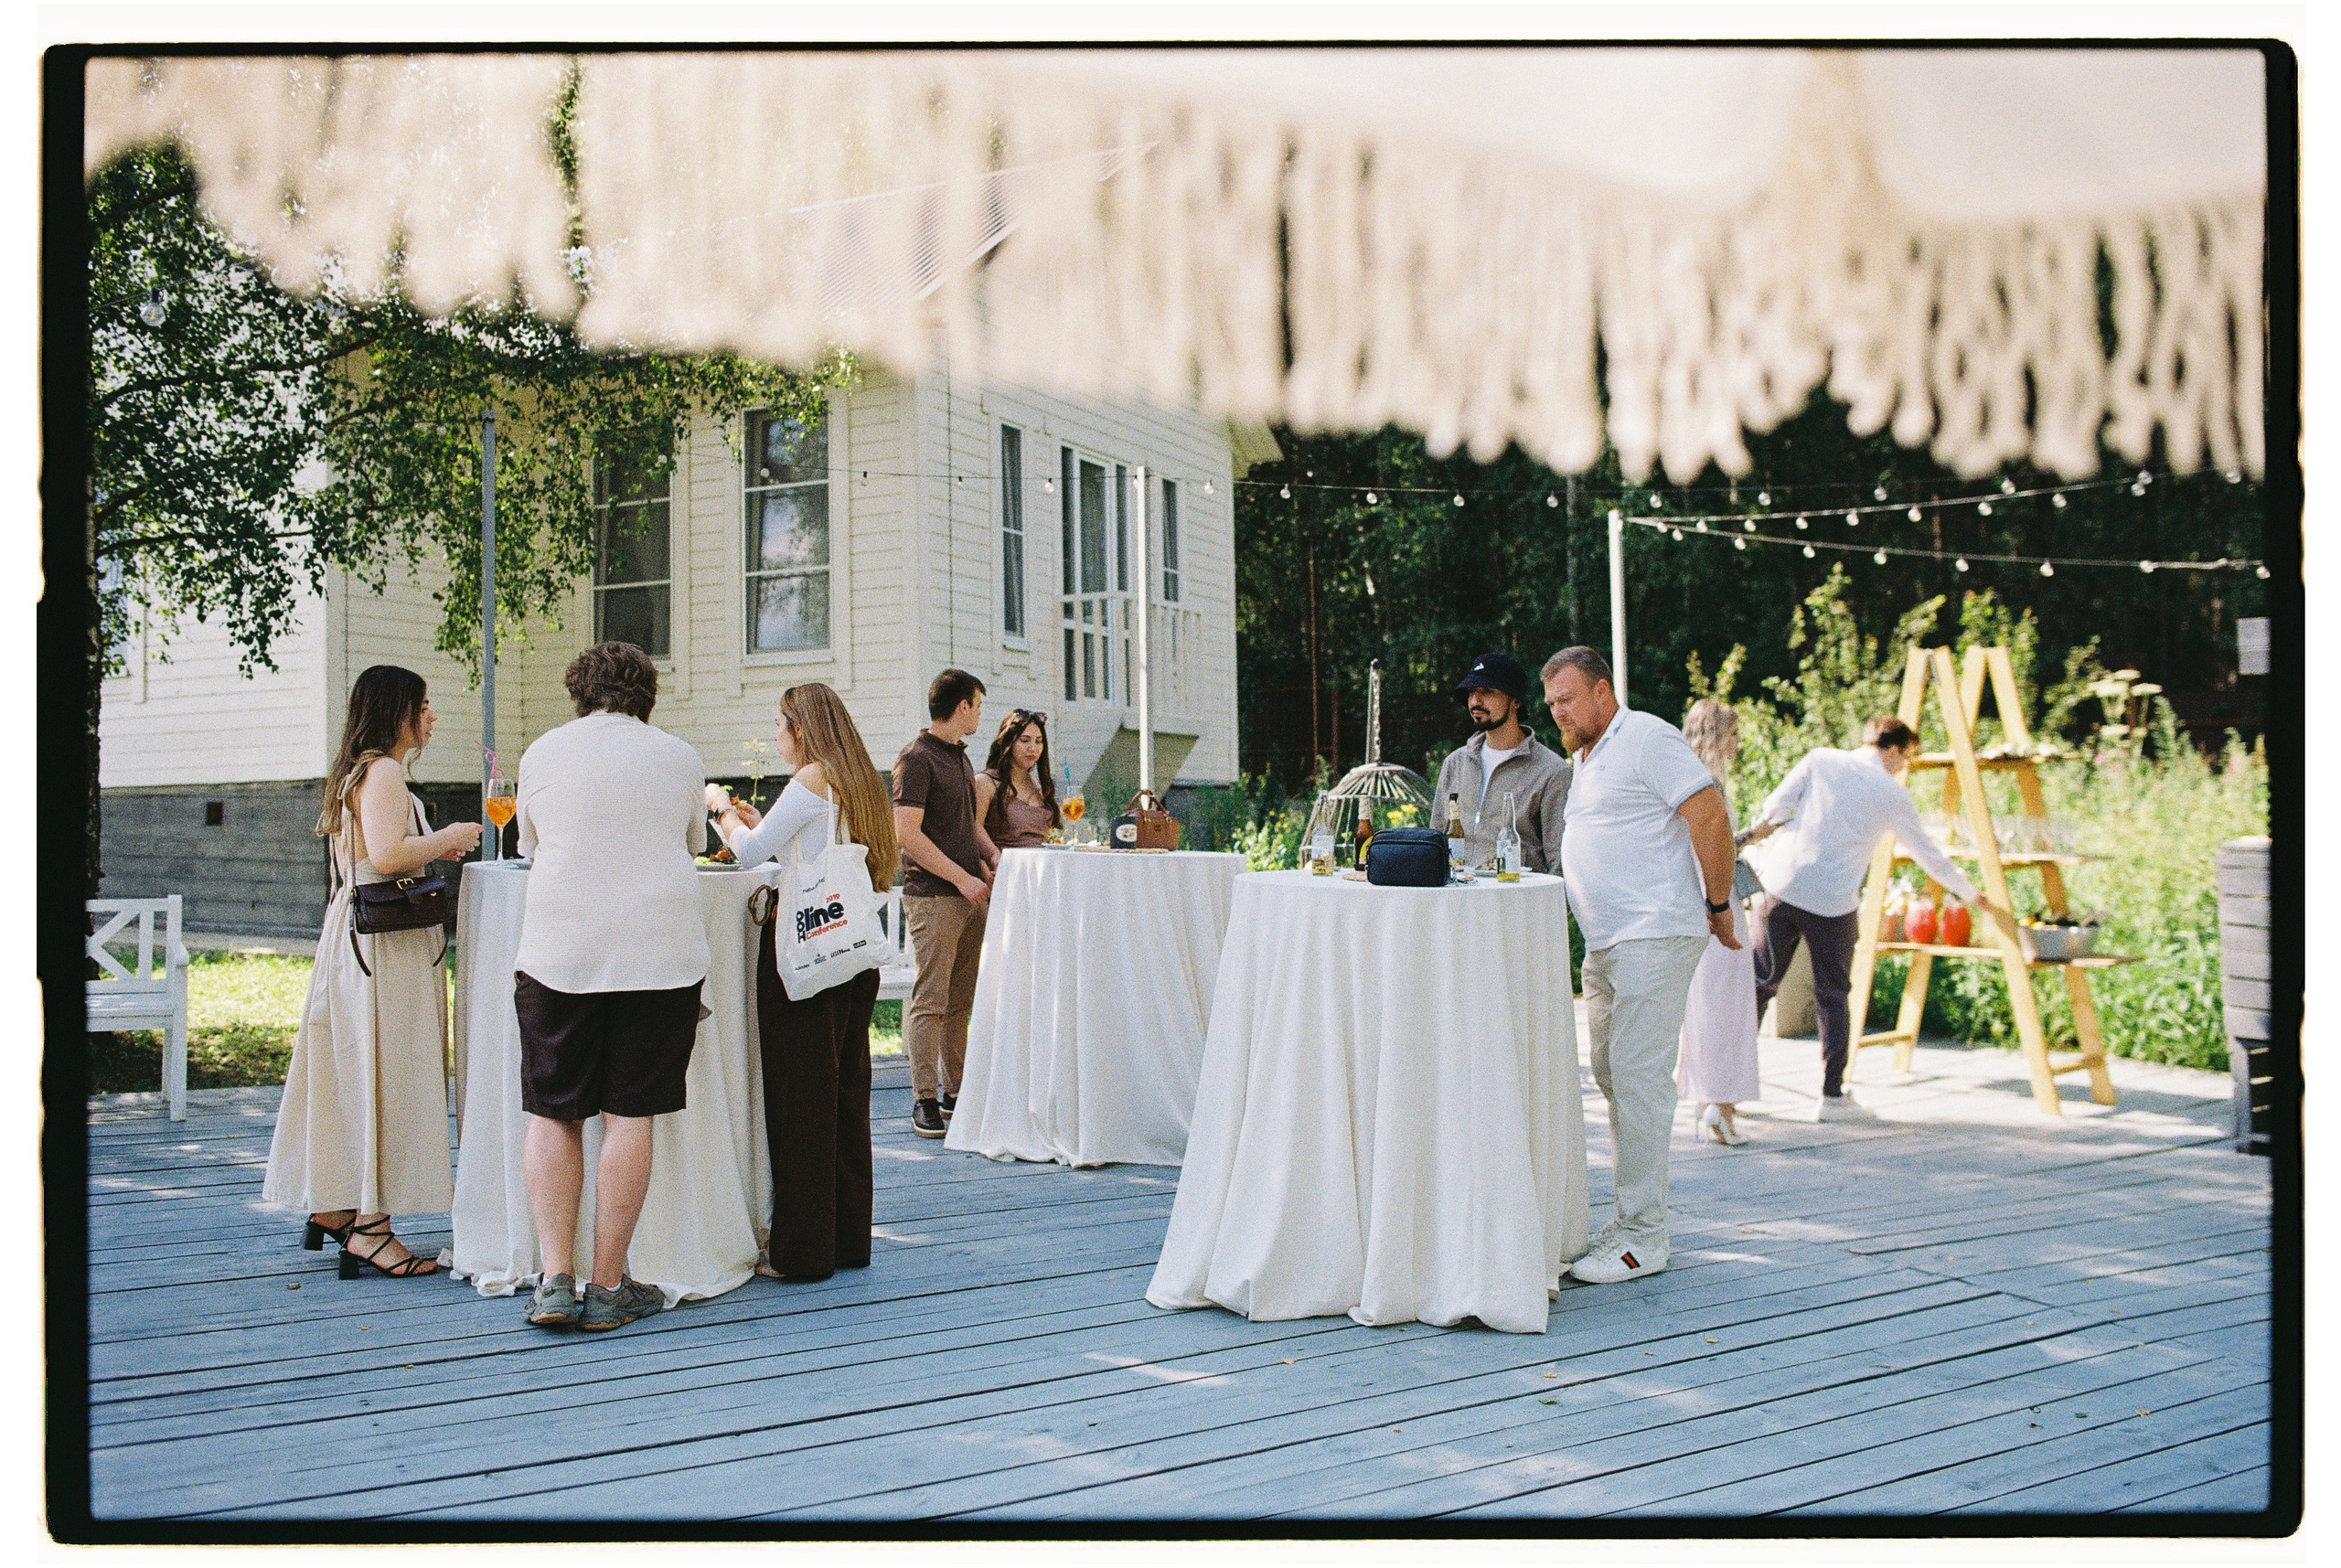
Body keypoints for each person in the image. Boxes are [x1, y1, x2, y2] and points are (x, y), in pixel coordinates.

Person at [512, 642, 710, 1333]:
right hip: (658, 954)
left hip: (560, 952)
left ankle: (554, 1280)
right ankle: (606, 1286)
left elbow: (530, 845)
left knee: (554, 1112)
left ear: (579, 692)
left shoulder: (543, 751)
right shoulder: (679, 756)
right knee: (631, 1115)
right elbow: (692, 842)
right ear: (646, 695)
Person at [265, 665, 482, 1277]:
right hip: (382, 948)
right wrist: (448, 835)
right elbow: (386, 855)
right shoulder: (383, 771)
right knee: (387, 1069)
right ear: (398, 712)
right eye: (424, 704)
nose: (432, 716)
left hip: (358, 937)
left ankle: (339, 1204)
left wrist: (433, 842)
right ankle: (371, 1227)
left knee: (359, 1069)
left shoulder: (359, 771)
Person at [1545, 646, 1740, 1285]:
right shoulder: (1588, 758)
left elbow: (1708, 812)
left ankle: (1643, 1238)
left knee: (1638, 1078)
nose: (1557, 712)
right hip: (1608, 943)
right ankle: (1629, 1221)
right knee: (1613, 1076)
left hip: (1652, 933)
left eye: (1567, 699)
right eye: (1551, 703)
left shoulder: (1646, 738)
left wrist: (1718, 904)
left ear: (1603, 691)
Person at [708, 683, 902, 1282]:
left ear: (801, 727)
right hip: (852, 953)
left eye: (779, 724)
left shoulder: (811, 777)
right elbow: (809, 847)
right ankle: (847, 1238)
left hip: (808, 956)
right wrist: (760, 824)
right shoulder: (858, 778)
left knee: (801, 1100)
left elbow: (749, 855)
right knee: (844, 1096)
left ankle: (801, 1250)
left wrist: (720, 810)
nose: (776, 735)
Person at [1739, 716, 2011, 1120]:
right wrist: (1972, 895)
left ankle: (1731, 1088)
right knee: (1832, 997)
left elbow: (1774, 808)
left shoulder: (1820, 759)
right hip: (1833, 903)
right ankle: (1832, 1097)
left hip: (1781, 886)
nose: (1905, 766)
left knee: (1758, 986)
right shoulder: (1892, 795)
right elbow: (1928, 856)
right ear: (1893, 749)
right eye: (1907, 756)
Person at [892, 669, 999, 1138]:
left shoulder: (959, 756)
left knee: (960, 1002)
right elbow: (907, 834)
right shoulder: (916, 759)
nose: (980, 714)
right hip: (935, 898)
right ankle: (925, 1099)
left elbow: (967, 825)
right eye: (978, 704)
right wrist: (961, 878)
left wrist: (991, 857)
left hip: (970, 895)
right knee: (930, 1001)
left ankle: (955, 1092)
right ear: (962, 706)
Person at [1675, 699, 1761, 1146]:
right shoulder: (1710, 787)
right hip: (1719, 903)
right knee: (1728, 1009)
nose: (1738, 743)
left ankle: (1705, 1101)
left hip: (1689, 905)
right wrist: (1753, 836)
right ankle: (1721, 1107)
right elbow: (1717, 847)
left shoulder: (1679, 779)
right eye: (1732, 734)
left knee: (1703, 1008)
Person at [1428, 652, 1570, 871]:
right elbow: (1435, 841)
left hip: (1517, 892)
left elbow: (1559, 862)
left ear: (1516, 701)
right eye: (1471, 692)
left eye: (1487, 692)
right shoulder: (1455, 763)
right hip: (1457, 890)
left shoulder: (1552, 771)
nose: (1475, 701)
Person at [974, 708, 1063, 851]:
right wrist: (993, 855)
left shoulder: (1040, 786)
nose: (1033, 748)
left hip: (1041, 863)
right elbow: (974, 827)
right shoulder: (985, 782)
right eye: (1025, 740)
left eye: (1039, 741)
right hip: (1004, 862)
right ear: (1008, 742)